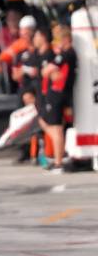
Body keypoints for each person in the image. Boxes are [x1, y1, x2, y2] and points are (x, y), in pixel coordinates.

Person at [39, 25, 76, 173]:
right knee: (45, 121)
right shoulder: (65, 54)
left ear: (66, 39)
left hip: (59, 94)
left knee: (56, 129)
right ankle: (58, 157)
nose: (57, 42)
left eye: (59, 39)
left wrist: (49, 71)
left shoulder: (67, 54)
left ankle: (59, 162)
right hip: (57, 93)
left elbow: (47, 71)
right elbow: (49, 72)